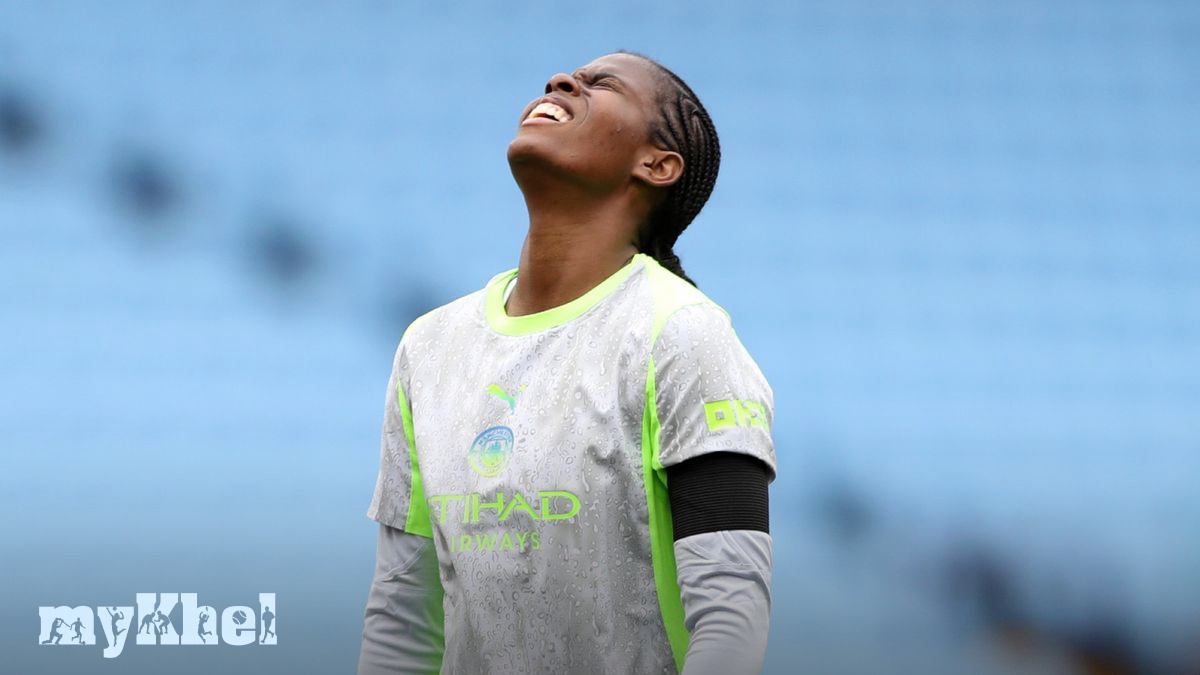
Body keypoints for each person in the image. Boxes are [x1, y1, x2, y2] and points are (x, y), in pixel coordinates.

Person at [357, 50, 774, 675]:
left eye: (601, 85)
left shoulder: (684, 335)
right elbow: (404, 617)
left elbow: (731, 616)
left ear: (657, 165)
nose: (559, 82)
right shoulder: (428, 345)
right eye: (566, 78)